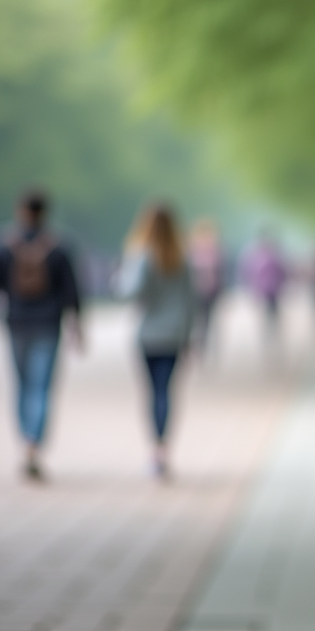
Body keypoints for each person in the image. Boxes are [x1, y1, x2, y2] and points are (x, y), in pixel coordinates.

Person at [0, 189, 83, 481]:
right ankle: (34, 444)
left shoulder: (6, 245)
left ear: (21, 210)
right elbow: (72, 290)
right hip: (49, 323)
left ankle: (26, 439)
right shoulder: (59, 247)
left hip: (17, 322)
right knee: (42, 387)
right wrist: (77, 324)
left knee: (22, 385)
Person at [114, 203, 193, 480]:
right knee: (165, 391)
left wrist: (118, 278)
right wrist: (190, 336)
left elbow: (129, 292)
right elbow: (191, 300)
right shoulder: (182, 259)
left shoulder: (142, 256)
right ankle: (163, 449)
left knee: (151, 392)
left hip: (148, 335)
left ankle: (155, 450)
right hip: (174, 334)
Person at [240, 231, 288, 339]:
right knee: (266, 315)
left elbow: (282, 272)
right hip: (263, 290)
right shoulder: (260, 256)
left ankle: (271, 334)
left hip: (271, 290)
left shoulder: (271, 255)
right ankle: (268, 335)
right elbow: (248, 273)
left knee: (271, 314)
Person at [188, 218, 224, 356]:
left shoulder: (192, 246)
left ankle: (201, 344)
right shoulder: (213, 248)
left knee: (202, 319)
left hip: (202, 290)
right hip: (207, 290)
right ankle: (202, 344)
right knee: (206, 320)